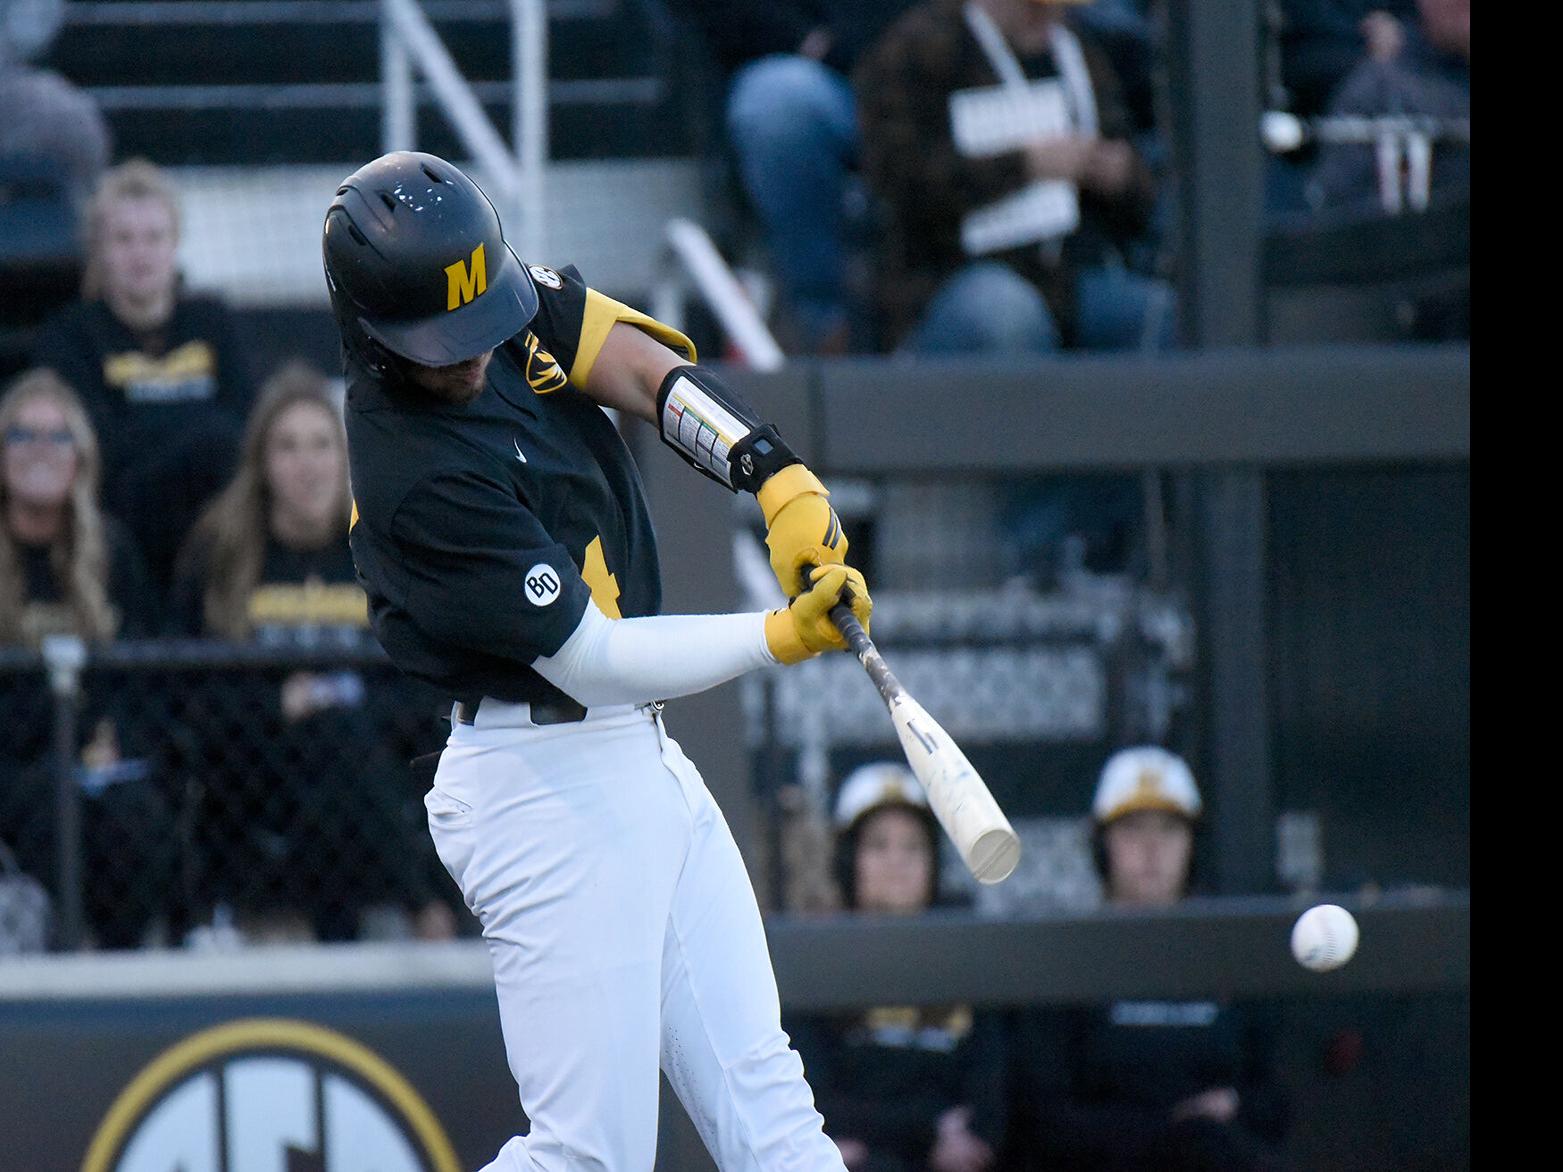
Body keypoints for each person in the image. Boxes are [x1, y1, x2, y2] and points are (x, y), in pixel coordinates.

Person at [324, 150, 873, 1170]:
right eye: (442, 344)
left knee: (774, 1118)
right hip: (540, 782)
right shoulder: (413, 471)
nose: (475, 350)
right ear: (376, 333)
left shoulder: (481, 291)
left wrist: (771, 469)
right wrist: (777, 634)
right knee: (591, 1154)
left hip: (641, 761)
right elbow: (594, 658)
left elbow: (632, 363)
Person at [169, 361, 441, 943]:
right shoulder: (219, 552)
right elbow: (186, 691)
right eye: (287, 447)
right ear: (262, 463)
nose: (307, 464)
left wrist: (340, 709)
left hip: (367, 770)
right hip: (256, 780)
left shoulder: (383, 550)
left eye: (321, 445)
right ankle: (427, 909)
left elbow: (420, 691)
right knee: (335, 742)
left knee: (343, 741)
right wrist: (278, 707)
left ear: (345, 457)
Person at [1006, 747, 1287, 1169]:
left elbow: (1277, 1096)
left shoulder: (1229, 953)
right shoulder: (1068, 959)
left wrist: (1233, 1106)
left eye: (1170, 829)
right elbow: (1043, 1115)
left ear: (1194, 845)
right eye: (1133, 829)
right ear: (1103, 845)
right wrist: (1168, 1133)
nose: (1152, 849)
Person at [855, 0, 1173, 354]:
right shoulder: (922, 48)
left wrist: (1121, 176)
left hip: (1065, 280)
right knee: (1007, 314)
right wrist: (1024, 165)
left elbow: (1140, 199)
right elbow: (900, 184)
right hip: (947, 283)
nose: (1044, 19)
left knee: (1160, 315)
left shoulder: (1077, 50)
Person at [0, 368, 170, 949]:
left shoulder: (115, 553)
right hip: (16, 771)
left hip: (103, 764)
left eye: (58, 436)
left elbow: (148, 677)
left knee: (134, 812)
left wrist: (114, 736)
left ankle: (119, 960)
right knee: (50, 797)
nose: (40, 451)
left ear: (82, 454)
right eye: (22, 436)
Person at [32, 159, 256, 591]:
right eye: (124, 239)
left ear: (176, 244)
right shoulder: (68, 335)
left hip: (218, 522)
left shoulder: (213, 321)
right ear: (99, 249)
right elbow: (95, 449)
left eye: (155, 237)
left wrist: (152, 432)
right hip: (117, 526)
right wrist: (201, 432)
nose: (141, 253)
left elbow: (246, 430)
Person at [786, 762, 1007, 1172]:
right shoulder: (819, 961)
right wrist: (930, 1126)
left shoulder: (966, 958)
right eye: (878, 845)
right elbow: (815, 1104)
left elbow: (991, 1100)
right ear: (849, 860)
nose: (897, 861)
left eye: (913, 846)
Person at [669, 0, 916, 354]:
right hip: (815, 76)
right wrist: (810, 40)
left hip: (939, 67)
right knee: (779, 104)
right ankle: (824, 331)